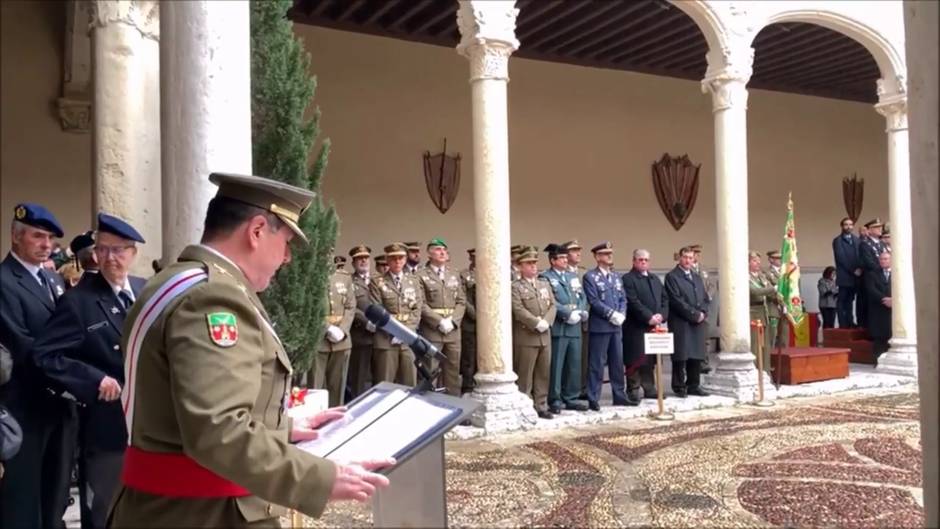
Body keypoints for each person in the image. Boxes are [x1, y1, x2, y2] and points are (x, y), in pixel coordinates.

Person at [108, 173, 391, 527]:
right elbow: (218, 430)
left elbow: (179, 410)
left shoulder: (177, 281)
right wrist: (322, 478)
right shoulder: (214, 298)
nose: (287, 257)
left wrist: (284, 427)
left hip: (169, 508)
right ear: (257, 230)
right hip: (204, 515)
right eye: (286, 240)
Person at [31, 213, 147, 528]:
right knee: (105, 514)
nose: (111, 258)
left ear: (133, 253)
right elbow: (46, 355)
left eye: (119, 250)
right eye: (104, 249)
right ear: (94, 253)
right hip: (107, 429)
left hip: (150, 428)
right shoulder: (79, 301)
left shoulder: (145, 290)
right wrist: (94, 379)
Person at [0, 203, 74, 529]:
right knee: (23, 505)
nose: (46, 244)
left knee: (54, 498)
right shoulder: (4, 281)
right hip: (25, 408)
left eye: (50, 239)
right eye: (38, 236)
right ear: (16, 238)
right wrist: (78, 376)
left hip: (59, 407)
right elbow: (23, 345)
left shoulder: (53, 281)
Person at [582, 242, 631, 410]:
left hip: (616, 327)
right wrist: (611, 314)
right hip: (601, 326)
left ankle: (619, 395)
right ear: (597, 257)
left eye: (610, 253)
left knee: (617, 363)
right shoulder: (590, 277)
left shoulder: (616, 276)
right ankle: (593, 397)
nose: (609, 256)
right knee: (597, 363)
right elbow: (593, 301)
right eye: (605, 253)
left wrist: (622, 313)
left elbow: (623, 298)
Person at [539, 244, 588, 414]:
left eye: (566, 258)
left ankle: (571, 397)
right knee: (557, 365)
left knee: (574, 364)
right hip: (560, 326)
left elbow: (582, 295)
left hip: (575, 327)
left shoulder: (572, 276)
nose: (566, 260)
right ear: (553, 260)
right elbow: (550, 301)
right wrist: (567, 313)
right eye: (562, 258)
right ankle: (555, 398)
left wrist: (581, 310)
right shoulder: (545, 277)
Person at [510, 247, 556, 419]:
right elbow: (518, 309)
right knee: (525, 374)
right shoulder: (516, 287)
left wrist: (547, 321)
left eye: (534, 263)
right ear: (520, 266)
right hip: (527, 336)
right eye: (529, 264)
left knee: (543, 372)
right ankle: (525, 404)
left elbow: (553, 305)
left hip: (544, 335)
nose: (533, 266)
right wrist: (535, 322)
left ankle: (541, 404)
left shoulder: (544, 284)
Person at [416, 238, 466, 396]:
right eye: (438, 249)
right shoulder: (420, 275)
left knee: (453, 370)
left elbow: (461, 301)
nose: (443, 252)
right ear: (429, 254)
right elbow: (421, 304)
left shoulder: (454, 274)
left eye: (444, 249)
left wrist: (453, 320)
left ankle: (455, 404)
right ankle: (430, 405)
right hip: (432, 331)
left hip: (452, 330)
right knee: (430, 370)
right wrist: (439, 321)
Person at [369, 242, 422, 387]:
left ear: (405, 259)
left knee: (409, 383)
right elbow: (377, 310)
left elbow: (417, 310)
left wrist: (405, 333)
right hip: (386, 339)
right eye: (393, 258)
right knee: (385, 384)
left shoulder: (413, 281)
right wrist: (394, 332)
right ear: (387, 260)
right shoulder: (377, 282)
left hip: (408, 339)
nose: (397, 261)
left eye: (400, 258)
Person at [622, 249, 668, 401]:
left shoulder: (654, 279)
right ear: (634, 261)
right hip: (636, 326)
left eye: (646, 260)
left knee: (650, 359)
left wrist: (661, 315)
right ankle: (633, 389)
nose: (643, 262)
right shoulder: (628, 279)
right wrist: (648, 317)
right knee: (635, 358)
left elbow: (664, 299)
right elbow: (633, 301)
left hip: (654, 326)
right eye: (640, 259)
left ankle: (649, 387)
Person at [664, 246, 710, 397]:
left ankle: (693, 385)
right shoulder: (672, 276)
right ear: (680, 258)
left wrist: (703, 312)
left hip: (697, 321)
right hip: (681, 321)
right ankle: (679, 386)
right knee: (681, 355)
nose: (688, 261)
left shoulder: (696, 277)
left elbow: (704, 297)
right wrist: (693, 314)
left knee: (696, 354)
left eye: (691, 258)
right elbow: (676, 300)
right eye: (685, 257)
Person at [314, 259, 355, 407]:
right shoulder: (310, 275)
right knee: (314, 389)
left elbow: (350, 306)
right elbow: (306, 307)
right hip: (318, 341)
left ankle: (336, 424)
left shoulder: (344, 277)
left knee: (338, 389)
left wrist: (343, 330)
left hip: (342, 342)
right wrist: (327, 328)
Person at [346, 245, 376, 399]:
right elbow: (350, 306)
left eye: (366, 257)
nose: (363, 260)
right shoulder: (349, 281)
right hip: (361, 337)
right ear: (353, 263)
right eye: (359, 258)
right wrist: (366, 322)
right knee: (359, 379)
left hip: (381, 337)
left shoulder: (379, 279)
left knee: (381, 379)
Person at [562, 239, 590, 399]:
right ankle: (568, 389)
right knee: (568, 359)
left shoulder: (583, 272)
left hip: (584, 320)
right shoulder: (561, 272)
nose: (578, 253)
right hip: (568, 320)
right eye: (574, 251)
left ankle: (582, 388)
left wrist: (584, 311)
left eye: (579, 250)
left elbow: (588, 296)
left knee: (583, 357)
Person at [748, 251, 777, 373]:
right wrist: (772, 289)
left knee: (765, 345)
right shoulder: (745, 277)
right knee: (755, 345)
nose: (758, 264)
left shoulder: (762, 276)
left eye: (759, 262)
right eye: (754, 261)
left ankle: (766, 371)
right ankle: (755, 371)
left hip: (764, 313)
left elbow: (770, 290)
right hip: (753, 313)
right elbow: (755, 292)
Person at [832, 217, 861, 328]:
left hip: (855, 277)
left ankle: (850, 321)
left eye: (850, 224)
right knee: (842, 300)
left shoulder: (857, 240)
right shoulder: (837, 241)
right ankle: (842, 323)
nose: (848, 227)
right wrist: (854, 270)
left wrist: (860, 268)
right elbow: (841, 258)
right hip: (845, 276)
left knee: (850, 301)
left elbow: (859, 256)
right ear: (842, 226)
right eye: (846, 224)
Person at [866, 252, 892, 362]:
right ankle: (878, 360)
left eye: (886, 259)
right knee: (879, 337)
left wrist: (893, 300)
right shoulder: (872, 274)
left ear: (891, 260)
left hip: (892, 311)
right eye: (881, 259)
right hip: (878, 310)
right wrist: (884, 299)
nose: (883, 261)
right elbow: (871, 289)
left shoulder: (899, 273)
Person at [459, 248, 477, 395]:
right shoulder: (464, 275)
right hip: (471, 323)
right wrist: (477, 316)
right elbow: (463, 299)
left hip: (489, 324)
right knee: (469, 358)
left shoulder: (490, 273)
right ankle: (467, 387)